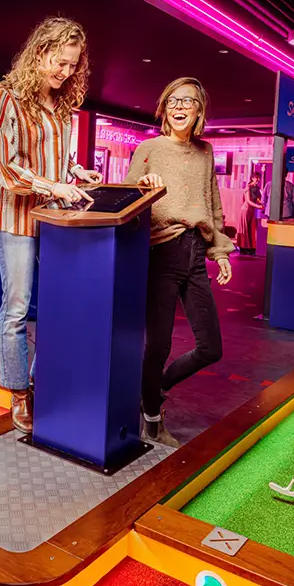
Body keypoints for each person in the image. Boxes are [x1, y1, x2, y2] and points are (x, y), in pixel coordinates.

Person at [0, 16, 103, 433]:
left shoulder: (66, 106)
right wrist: (55, 183)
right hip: (16, 219)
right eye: (59, 60)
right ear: (39, 52)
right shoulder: (6, 98)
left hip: (54, 221)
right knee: (16, 310)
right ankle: (19, 392)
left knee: (56, 308)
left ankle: (38, 380)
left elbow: (55, 159)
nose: (65, 71)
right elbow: (5, 168)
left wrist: (76, 171)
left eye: (72, 65)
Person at [126, 77, 234, 447]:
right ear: (163, 107)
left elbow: (213, 204)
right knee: (157, 346)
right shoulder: (149, 148)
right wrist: (145, 188)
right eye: (172, 99)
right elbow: (125, 200)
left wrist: (219, 251)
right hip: (161, 252)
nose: (179, 106)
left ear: (199, 109)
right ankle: (152, 420)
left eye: (187, 100)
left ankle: (150, 392)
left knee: (211, 348)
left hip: (195, 251)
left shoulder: (205, 152)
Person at [238, 173, 264, 254]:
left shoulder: (257, 188)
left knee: (252, 229)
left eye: (259, 178)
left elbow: (258, 199)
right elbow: (248, 201)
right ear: (252, 178)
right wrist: (258, 206)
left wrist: (262, 204)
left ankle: (251, 248)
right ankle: (243, 248)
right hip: (246, 210)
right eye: (256, 178)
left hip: (252, 211)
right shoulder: (248, 187)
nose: (258, 180)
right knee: (245, 229)